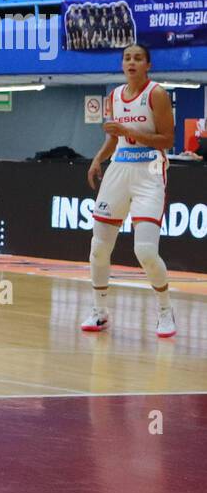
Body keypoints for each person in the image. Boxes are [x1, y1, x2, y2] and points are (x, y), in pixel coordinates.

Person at [83, 44, 177, 338]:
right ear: (122, 64)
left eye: (138, 58)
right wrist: (98, 158)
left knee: (145, 250)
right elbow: (114, 138)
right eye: (127, 58)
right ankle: (99, 312)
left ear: (148, 64)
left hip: (149, 171)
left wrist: (130, 133)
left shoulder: (156, 94)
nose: (131, 62)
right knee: (98, 247)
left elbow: (167, 140)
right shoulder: (113, 96)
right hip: (119, 170)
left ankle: (165, 310)